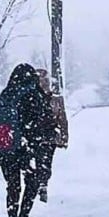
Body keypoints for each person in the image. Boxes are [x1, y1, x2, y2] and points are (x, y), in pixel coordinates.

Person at [0, 63, 53, 217]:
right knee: (32, 180)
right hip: (25, 146)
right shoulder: (32, 94)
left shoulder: (7, 93)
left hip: (5, 147)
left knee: (12, 184)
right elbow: (40, 120)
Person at [35, 68, 69, 203]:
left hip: (49, 136)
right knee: (39, 161)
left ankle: (42, 184)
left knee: (46, 161)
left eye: (45, 80)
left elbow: (62, 119)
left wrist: (64, 137)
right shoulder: (32, 98)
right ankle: (39, 184)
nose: (44, 83)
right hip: (35, 135)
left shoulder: (56, 99)